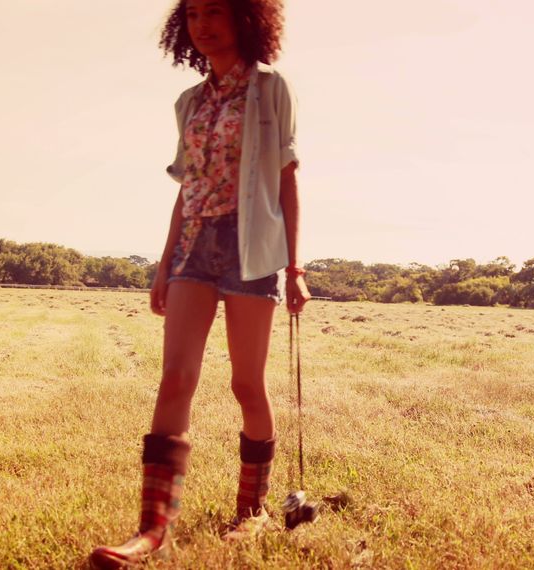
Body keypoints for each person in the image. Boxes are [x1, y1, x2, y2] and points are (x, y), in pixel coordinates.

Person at [90, 0, 308, 566]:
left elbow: (286, 178)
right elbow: (186, 189)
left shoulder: (270, 88)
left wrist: (295, 267)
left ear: (245, 18)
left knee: (246, 385)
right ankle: (152, 530)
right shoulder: (188, 103)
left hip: (250, 248)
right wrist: (164, 264)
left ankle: (251, 511)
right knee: (175, 380)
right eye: (191, 16)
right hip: (194, 247)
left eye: (215, 11)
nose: (203, 25)